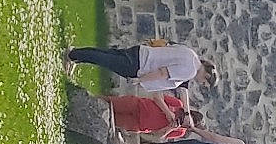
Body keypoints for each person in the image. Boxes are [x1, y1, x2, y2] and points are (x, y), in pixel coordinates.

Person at [64, 42, 216, 93]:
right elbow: (163, 73)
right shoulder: (190, 71)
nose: (201, 83)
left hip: (142, 52)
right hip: (142, 66)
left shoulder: (191, 53)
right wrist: (140, 80)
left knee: (108, 54)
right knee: (107, 60)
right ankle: (73, 55)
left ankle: (77, 55)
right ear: (207, 75)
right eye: (204, 82)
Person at [79, 88, 190, 137]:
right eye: (181, 116)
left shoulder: (180, 132)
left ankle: (82, 118)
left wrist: (170, 128)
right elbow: (157, 96)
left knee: (109, 119)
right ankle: (84, 98)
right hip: (138, 106)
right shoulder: (178, 104)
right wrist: (167, 112)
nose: (178, 118)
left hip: (138, 124)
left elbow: (157, 136)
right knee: (109, 102)